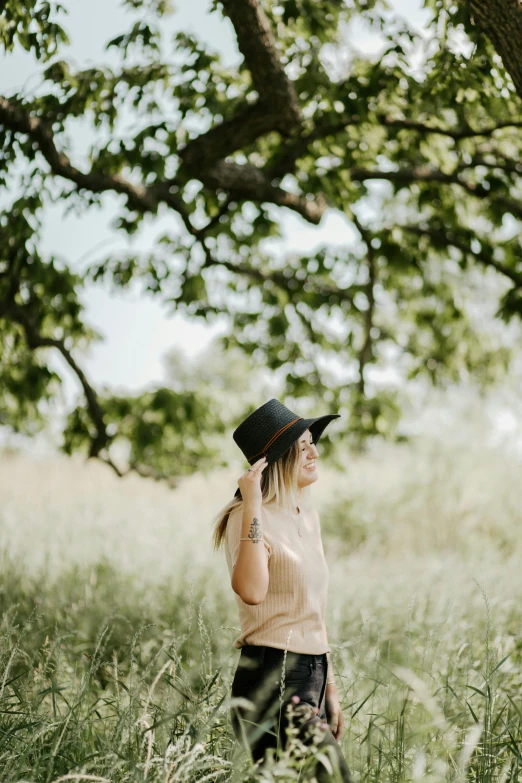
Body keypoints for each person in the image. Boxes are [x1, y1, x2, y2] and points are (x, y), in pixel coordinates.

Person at [212, 398, 355, 781]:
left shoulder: (308, 517)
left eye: (313, 442)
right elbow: (252, 589)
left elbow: (314, 611)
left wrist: (330, 687)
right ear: (275, 460)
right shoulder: (247, 516)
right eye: (302, 445)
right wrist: (254, 502)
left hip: (312, 677)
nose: (314, 452)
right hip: (271, 678)